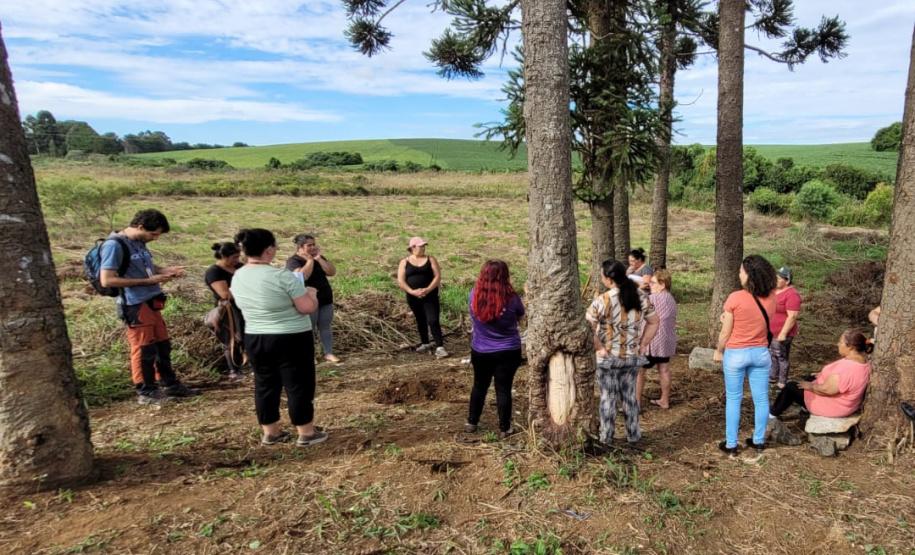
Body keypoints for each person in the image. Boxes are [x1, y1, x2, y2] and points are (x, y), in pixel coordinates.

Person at [230, 228, 327, 447]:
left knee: (264, 383)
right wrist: (312, 294)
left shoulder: (239, 275)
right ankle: (306, 432)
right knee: (298, 384)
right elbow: (307, 307)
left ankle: (271, 432)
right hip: (290, 337)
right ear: (270, 250)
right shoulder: (281, 276)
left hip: (255, 336)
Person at [99, 209, 200, 405]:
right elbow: (107, 279)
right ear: (140, 227)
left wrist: (164, 271)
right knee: (143, 348)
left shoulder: (138, 242)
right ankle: (146, 390)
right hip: (134, 304)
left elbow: (141, 266)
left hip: (151, 300)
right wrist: (147, 281)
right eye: (153, 234)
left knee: (162, 345)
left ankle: (169, 384)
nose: (155, 239)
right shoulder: (113, 245)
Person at [586, 260, 659, 445]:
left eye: (602, 276)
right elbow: (654, 321)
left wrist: (600, 348)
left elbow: (587, 329)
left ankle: (606, 438)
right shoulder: (640, 296)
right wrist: (643, 344)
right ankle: (633, 436)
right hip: (632, 357)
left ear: (609, 279)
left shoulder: (602, 300)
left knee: (608, 399)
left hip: (608, 358)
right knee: (630, 397)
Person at [713, 254, 777, 456]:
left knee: (734, 398)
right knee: (761, 398)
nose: (739, 274)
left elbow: (726, 331)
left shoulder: (735, 297)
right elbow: (760, 320)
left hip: (736, 353)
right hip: (760, 353)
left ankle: (731, 444)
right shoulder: (773, 297)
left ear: (749, 275)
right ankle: (758, 441)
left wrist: (719, 350)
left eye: (741, 271)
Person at [463, 260, 525, 439]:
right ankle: (505, 427)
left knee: (479, 386)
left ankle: (472, 422)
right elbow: (522, 315)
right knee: (503, 389)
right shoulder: (512, 298)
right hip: (508, 350)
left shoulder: (474, 295)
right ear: (505, 276)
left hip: (481, 350)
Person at [769, 329, 872, 422]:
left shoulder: (847, 368)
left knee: (790, 387)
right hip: (846, 404)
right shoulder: (863, 361)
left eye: (840, 342)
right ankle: (804, 408)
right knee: (810, 378)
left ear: (850, 347)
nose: (838, 344)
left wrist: (811, 386)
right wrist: (820, 375)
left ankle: (772, 414)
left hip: (833, 406)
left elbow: (827, 390)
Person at [285, 234, 340, 364]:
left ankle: (328, 352)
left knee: (325, 326)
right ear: (300, 247)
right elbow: (302, 277)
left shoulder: (318, 258)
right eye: (309, 245)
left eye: (314, 244)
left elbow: (331, 271)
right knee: (309, 329)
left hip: (325, 297)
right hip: (308, 300)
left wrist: (319, 259)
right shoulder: (293, 261)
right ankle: (310, 354)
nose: (313, 247)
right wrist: (309, 261)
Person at [397, 236, 448, 359]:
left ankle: (440, 346)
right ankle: (425, 342)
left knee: (433, 319)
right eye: (421, 246)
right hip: (413, 297)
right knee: (420, 319)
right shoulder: (404, 262)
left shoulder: (431, 259)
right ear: (413, 248)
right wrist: (412, 292)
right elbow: (401, 281)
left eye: (424, 246)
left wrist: (427, 289)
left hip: (430, 296)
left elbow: (437, 277)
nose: (423, 248)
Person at [204, 241, 246, 380]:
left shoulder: (239, 267)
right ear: (223, 256)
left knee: (247, 337)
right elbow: (225, 294)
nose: (237, 260)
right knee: (231, 339)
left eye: (238, 257)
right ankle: (234, 370)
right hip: (228, 310)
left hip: (243, 306)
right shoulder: (214, 272)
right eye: (234, 257)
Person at [637, 269, 677, 409]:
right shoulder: (670, 299)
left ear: (662, 284)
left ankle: (636, 404)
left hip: (651, 342)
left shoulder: (655, 298)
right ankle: (664, 400)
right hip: (666, 342)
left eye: (653, 283)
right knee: (664, 369)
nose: (650, 285)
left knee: (639, 370)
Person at [769, 266, 801, 389]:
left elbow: (792, 316)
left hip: (782, 332)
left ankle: (782, 383)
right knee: (772, 354)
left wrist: (783, 333)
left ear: (786, 281)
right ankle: (772, 378)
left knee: (781, 356)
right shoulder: (774, 290)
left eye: (778, 278)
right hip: (771, 331)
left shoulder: (792, 294)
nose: (775, 280)